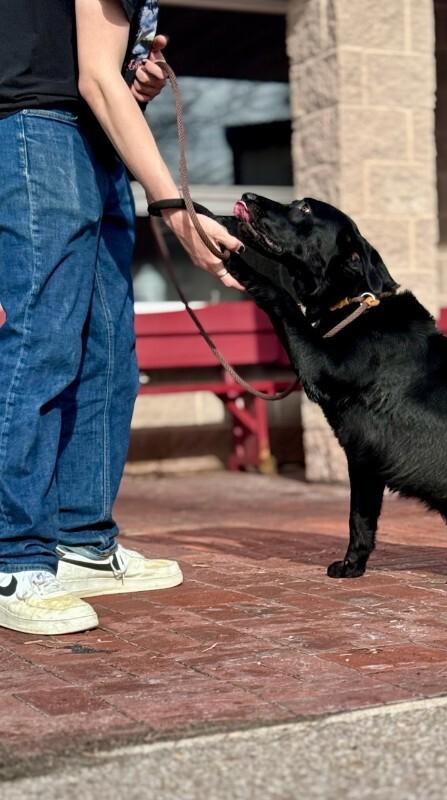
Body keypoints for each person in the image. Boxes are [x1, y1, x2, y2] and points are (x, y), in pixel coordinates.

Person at [0, 0, 243, 635]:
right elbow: (93, 77)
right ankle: (12, 556)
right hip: (37, 122)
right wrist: (174, 206)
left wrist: (136, 77)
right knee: (40, 341)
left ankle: (80, 539)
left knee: (109, 349)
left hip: (94, 134)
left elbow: (101, 68)